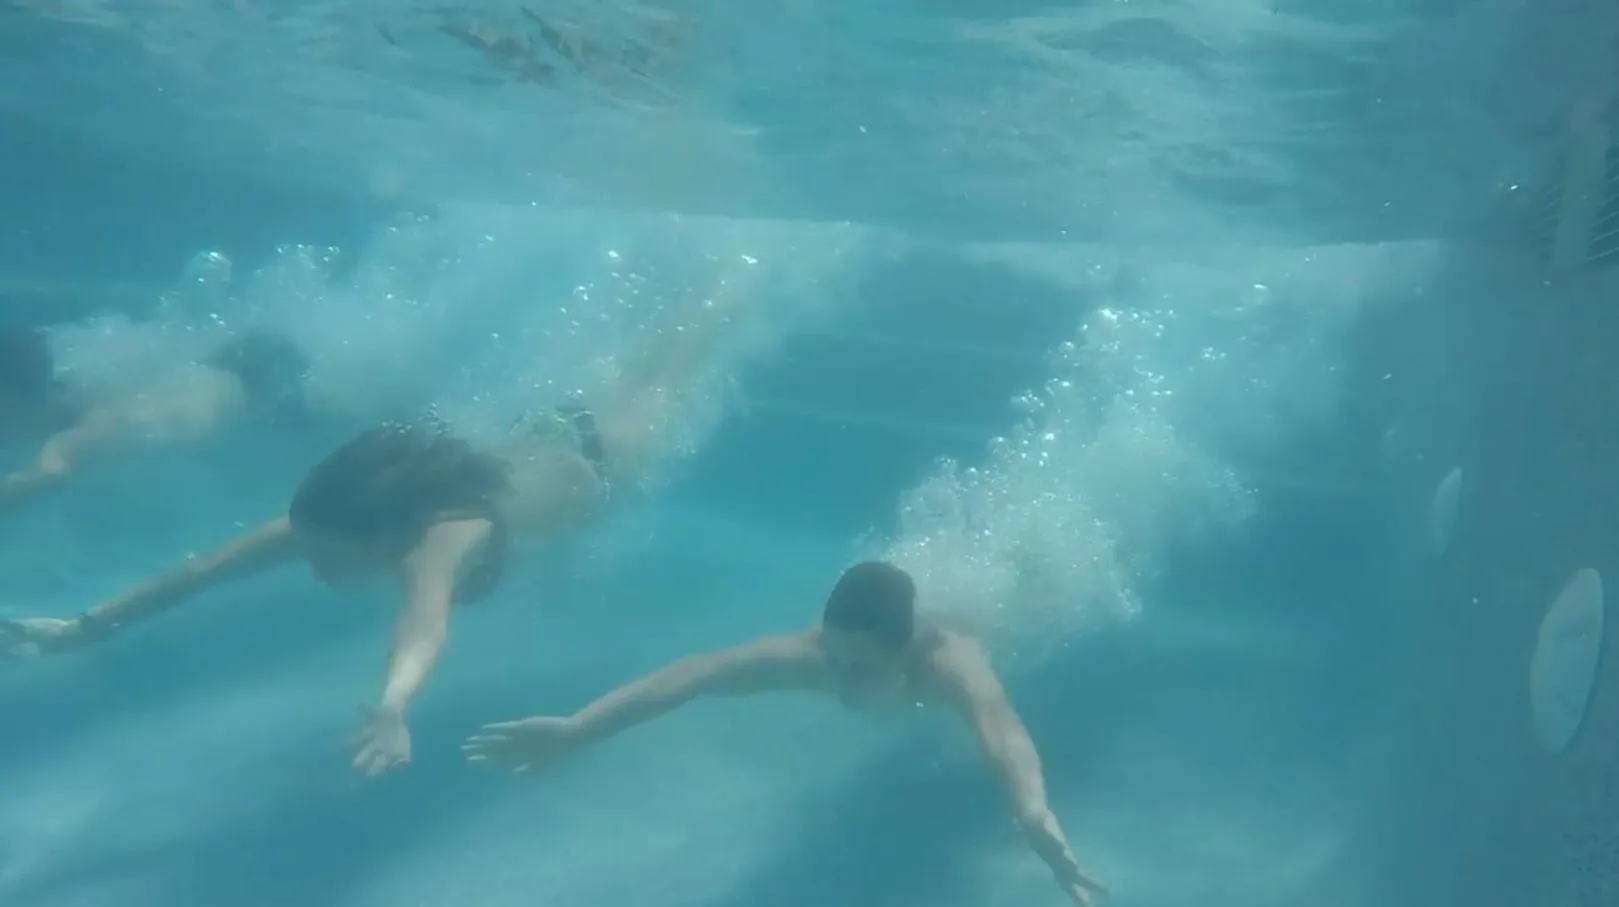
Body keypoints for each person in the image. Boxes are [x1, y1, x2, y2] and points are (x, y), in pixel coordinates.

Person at [0, 296, 742, 777]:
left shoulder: (440, 542)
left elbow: (424, 624)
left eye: (326, 557)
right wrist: (86, 625)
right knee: (639, 360)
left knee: (665, 379)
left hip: (596, 461)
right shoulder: (331, 520)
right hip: (535, 438)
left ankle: (731, 286)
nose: (311, 566)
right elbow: (202, 571)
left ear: (384, 538)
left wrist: (393, 708)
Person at [463, 560, 1108, 906]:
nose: (839, 681)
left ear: (903, 651)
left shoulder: (948, 666)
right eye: (832, 659)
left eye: (859, 668)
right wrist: (580, 729)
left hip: (1007, 605)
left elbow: (1001, 730)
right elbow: (695, 675)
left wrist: (1032, 811)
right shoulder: (813, 659)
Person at [0, 326, 312, 517]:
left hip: (261, 384)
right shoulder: (62, 396)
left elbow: (49, 474)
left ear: (16, 399)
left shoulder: (84, 431)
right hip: (230, 365)